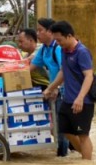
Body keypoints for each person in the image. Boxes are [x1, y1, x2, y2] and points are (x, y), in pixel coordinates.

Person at [43, 21, 95, 160]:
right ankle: (86, 156)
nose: (58, 43)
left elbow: (88, 76)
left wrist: (80, 98)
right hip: (68, 99)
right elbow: (63, 72)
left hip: (82, 101)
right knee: (65, 131)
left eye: (59, 40)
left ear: (69, 36)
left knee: (83, 136)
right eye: (56, 40)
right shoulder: (65, 51)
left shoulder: (82, 52)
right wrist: (50, 88)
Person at [30, 18, 70, 157]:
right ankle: (72, 152)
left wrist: (55, 87)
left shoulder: (58, 48)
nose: (38, 33)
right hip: (53, 90)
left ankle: (63, 157)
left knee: (60, 128)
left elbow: (64, 70)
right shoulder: (44, 49)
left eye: (40, 30)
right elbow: (31, 66)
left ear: (50, 32)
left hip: (63, 92)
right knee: (57, 126)